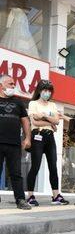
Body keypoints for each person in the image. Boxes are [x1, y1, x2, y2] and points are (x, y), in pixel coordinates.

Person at [26, 80, 69, 206]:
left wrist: (44, 116)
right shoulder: (33, 103)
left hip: (50, 137)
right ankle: (30, 196)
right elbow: (35, 122)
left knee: (53, 167)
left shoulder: (53, 105)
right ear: (39, 90)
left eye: (49, 91)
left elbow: (56, 121)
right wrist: (50, 122)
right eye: (45, 90)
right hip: (37, 135)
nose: (47, 93)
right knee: (35, 166)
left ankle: (56, 196)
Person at [0, 74, 32, 210]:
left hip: (14, 144)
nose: (13, 86)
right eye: (10, 84)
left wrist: (28, 138)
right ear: (1, 86)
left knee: (16, 173)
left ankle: (20, 200)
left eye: (14, 84)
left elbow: (25, 121)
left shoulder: (18, 102)